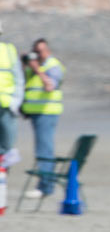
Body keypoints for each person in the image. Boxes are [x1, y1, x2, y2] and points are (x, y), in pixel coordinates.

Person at [20, 39, 65, 199]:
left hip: (47, 112)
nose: (37, 55)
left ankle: (45, 186)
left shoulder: (53, 66)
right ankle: (45, 184)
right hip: (35, 113)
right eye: (35, 52)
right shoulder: (34, 67)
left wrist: (36, 68)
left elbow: (49, 86)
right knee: (42, 148)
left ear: (47, 51)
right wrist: (24, 65)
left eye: (40, 52)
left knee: (44, 149)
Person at [0, 22, 25, 169]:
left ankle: (2, 182)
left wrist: (16, 101)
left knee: (7, 147)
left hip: (7, 105)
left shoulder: (9, 50)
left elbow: (18, 79)